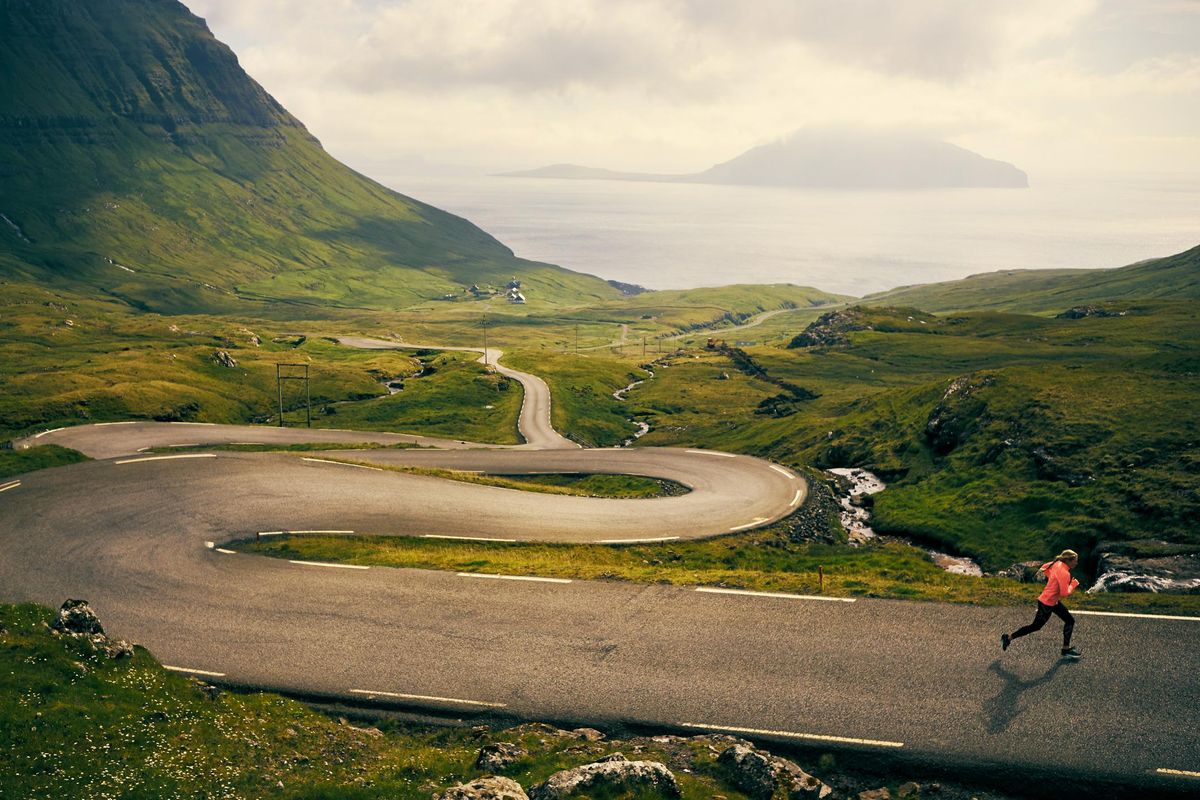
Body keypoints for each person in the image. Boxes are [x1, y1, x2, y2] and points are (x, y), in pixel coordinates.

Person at [1001, 549, 1082, 659]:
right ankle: (1008, 638)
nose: (1076, 563)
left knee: (1070, 621)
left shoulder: (1057, 563)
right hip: (1047, 603)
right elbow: (1064, 593)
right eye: (1075, 561)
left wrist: (1053, 580)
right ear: (1069, 560)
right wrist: (1073, 584)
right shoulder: (1065, 573)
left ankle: (1065, 649)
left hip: (1053, 601)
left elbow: (1044, 568)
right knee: (1035, 626)